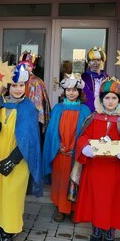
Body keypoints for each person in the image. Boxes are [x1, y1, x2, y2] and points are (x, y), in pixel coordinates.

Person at [73, 77, 120, 241]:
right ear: (101, 99)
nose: (110, 101)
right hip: (96, 169)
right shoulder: (93, 117)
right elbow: (82, 137)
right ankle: (96, 233)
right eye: (107, 98)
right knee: (96, 201)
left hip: (117, 171)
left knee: (114, 202)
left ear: (119, 100)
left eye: (114, 98)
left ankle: (111, 235)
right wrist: (85, 148)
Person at [0, 64, 42, 241]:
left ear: (26, 87)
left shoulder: (29, 108)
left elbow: (31, 139)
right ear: (8, 86)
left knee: (12, 194)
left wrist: (14, 158)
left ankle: (9, 228)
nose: (17, 89)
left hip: (18, 159)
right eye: (14, 85)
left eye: (21, 86)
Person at [43, 73, 91, 222]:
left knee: (74, 180)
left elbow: (87, 132)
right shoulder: (58, 108)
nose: (71, 93)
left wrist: (76, 149)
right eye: (68, 90)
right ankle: (60, 208)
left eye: (74, 90)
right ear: (64, 91)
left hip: (75, 154)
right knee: (60, 181)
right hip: (60, 151)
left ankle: (73, 209)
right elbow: (52, 132)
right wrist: (59, 146)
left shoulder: (85, 110)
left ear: (80, 92)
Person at [18, 51, 51, 136]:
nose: (25, 68)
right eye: (23, 65)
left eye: (29, 66)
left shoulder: (37, 82)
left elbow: (39, 104)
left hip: (32, 117)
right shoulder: (15, 79)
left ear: (33, 67)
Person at [81, 46, 109, 113]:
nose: (95, 63)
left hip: (104, 109)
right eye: (92, 60)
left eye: (98, 60)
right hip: (88, 110)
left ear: (102, 62)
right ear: (88, 63)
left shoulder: (106, 77)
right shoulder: (84, 77)